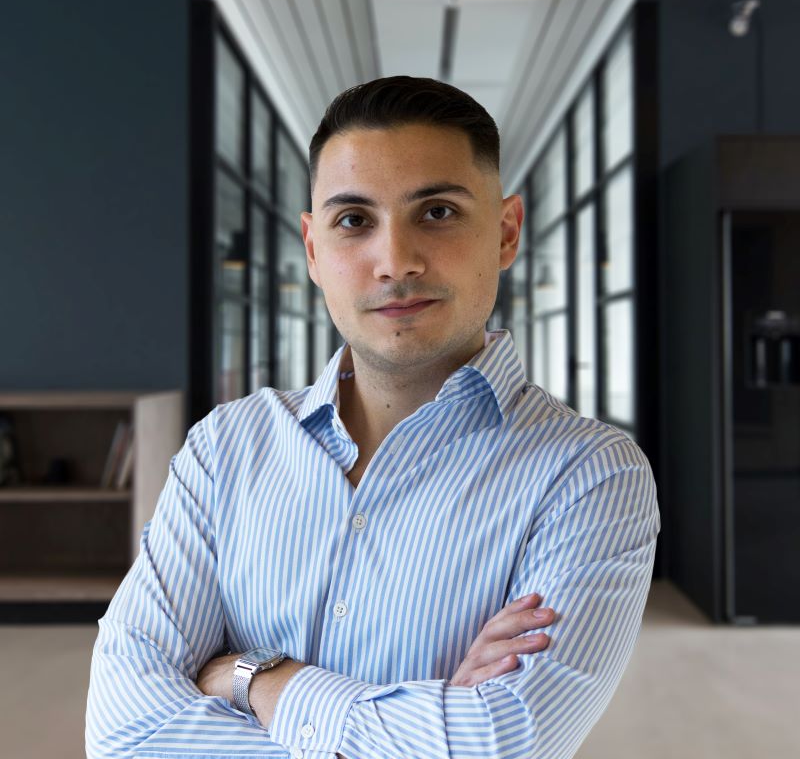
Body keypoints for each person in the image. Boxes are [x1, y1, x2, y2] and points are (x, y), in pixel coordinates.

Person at [86, 76, 660, 759]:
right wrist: (430, 726)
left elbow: (502, 744)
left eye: (438, 213)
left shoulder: (591, 475)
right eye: (354, 220)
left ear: (505, 233)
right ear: (312, 248)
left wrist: (253, 679)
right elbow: (125, 735)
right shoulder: (225, 448)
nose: (396, 262)